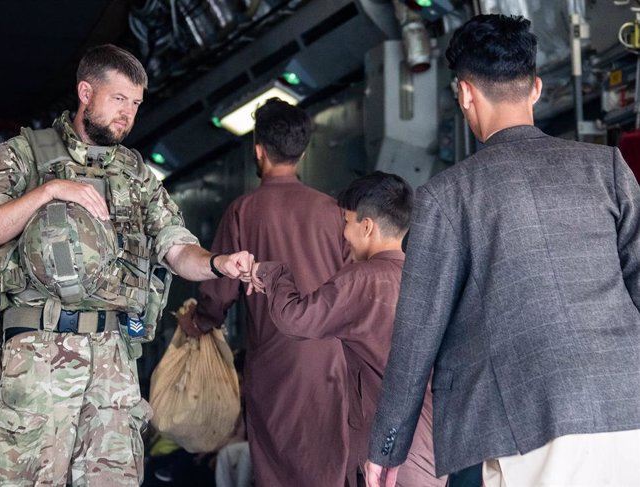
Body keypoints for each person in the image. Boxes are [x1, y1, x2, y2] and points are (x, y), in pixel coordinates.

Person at [365, 14, 640, 487]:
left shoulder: (447, 195)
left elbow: (416, 336)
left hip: (526, 425)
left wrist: (388, 448)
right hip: (627, 406)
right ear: (535, 88)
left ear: (465, 94)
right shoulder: (605, 168)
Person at [0, 44, 254, 487]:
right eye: (119, 100)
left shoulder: (137, 175)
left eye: (136, 104)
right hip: (41, 354)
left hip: (114, 356)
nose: (128, 115)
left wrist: (217, 264)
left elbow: (175, 248)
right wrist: (50, 190)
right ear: (86, 92)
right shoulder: (23, 154)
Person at [178, 98, 351, 487]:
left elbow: (219, 292)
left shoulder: (243, 211)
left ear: (258, 150)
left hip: (274, 366)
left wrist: (199, 321)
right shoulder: (334, 212)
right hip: (331, 365)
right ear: (303, 150)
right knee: (328, 467)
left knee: (277, 472)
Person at [250, 171, 445, 487]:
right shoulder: (430, 280)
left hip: (388, 457)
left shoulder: (363, 280)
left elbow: (295, 317)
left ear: (366, 226)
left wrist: (273, 274)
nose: (344, 233)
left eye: (346, 222)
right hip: (434, 451)